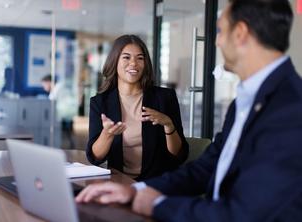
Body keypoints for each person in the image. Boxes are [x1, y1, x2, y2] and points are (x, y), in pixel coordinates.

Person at [76, 0, 302, 221]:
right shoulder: (245, 101)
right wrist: (137, 190)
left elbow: (244, 213)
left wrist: (156, 204)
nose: (217, 42)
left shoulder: (291, 110)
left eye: (220, 31)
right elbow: (206, 168)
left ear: (240, 33)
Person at [86, 34, 189, 180]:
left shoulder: (164, 98)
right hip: (120, 182)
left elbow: (179, 155)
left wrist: (168, 124)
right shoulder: (100, 103)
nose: (134, 63)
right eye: (126, 57)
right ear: (114, 61)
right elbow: (95, 157)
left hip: (158, 183)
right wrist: (107, 134)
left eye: (140, 58)